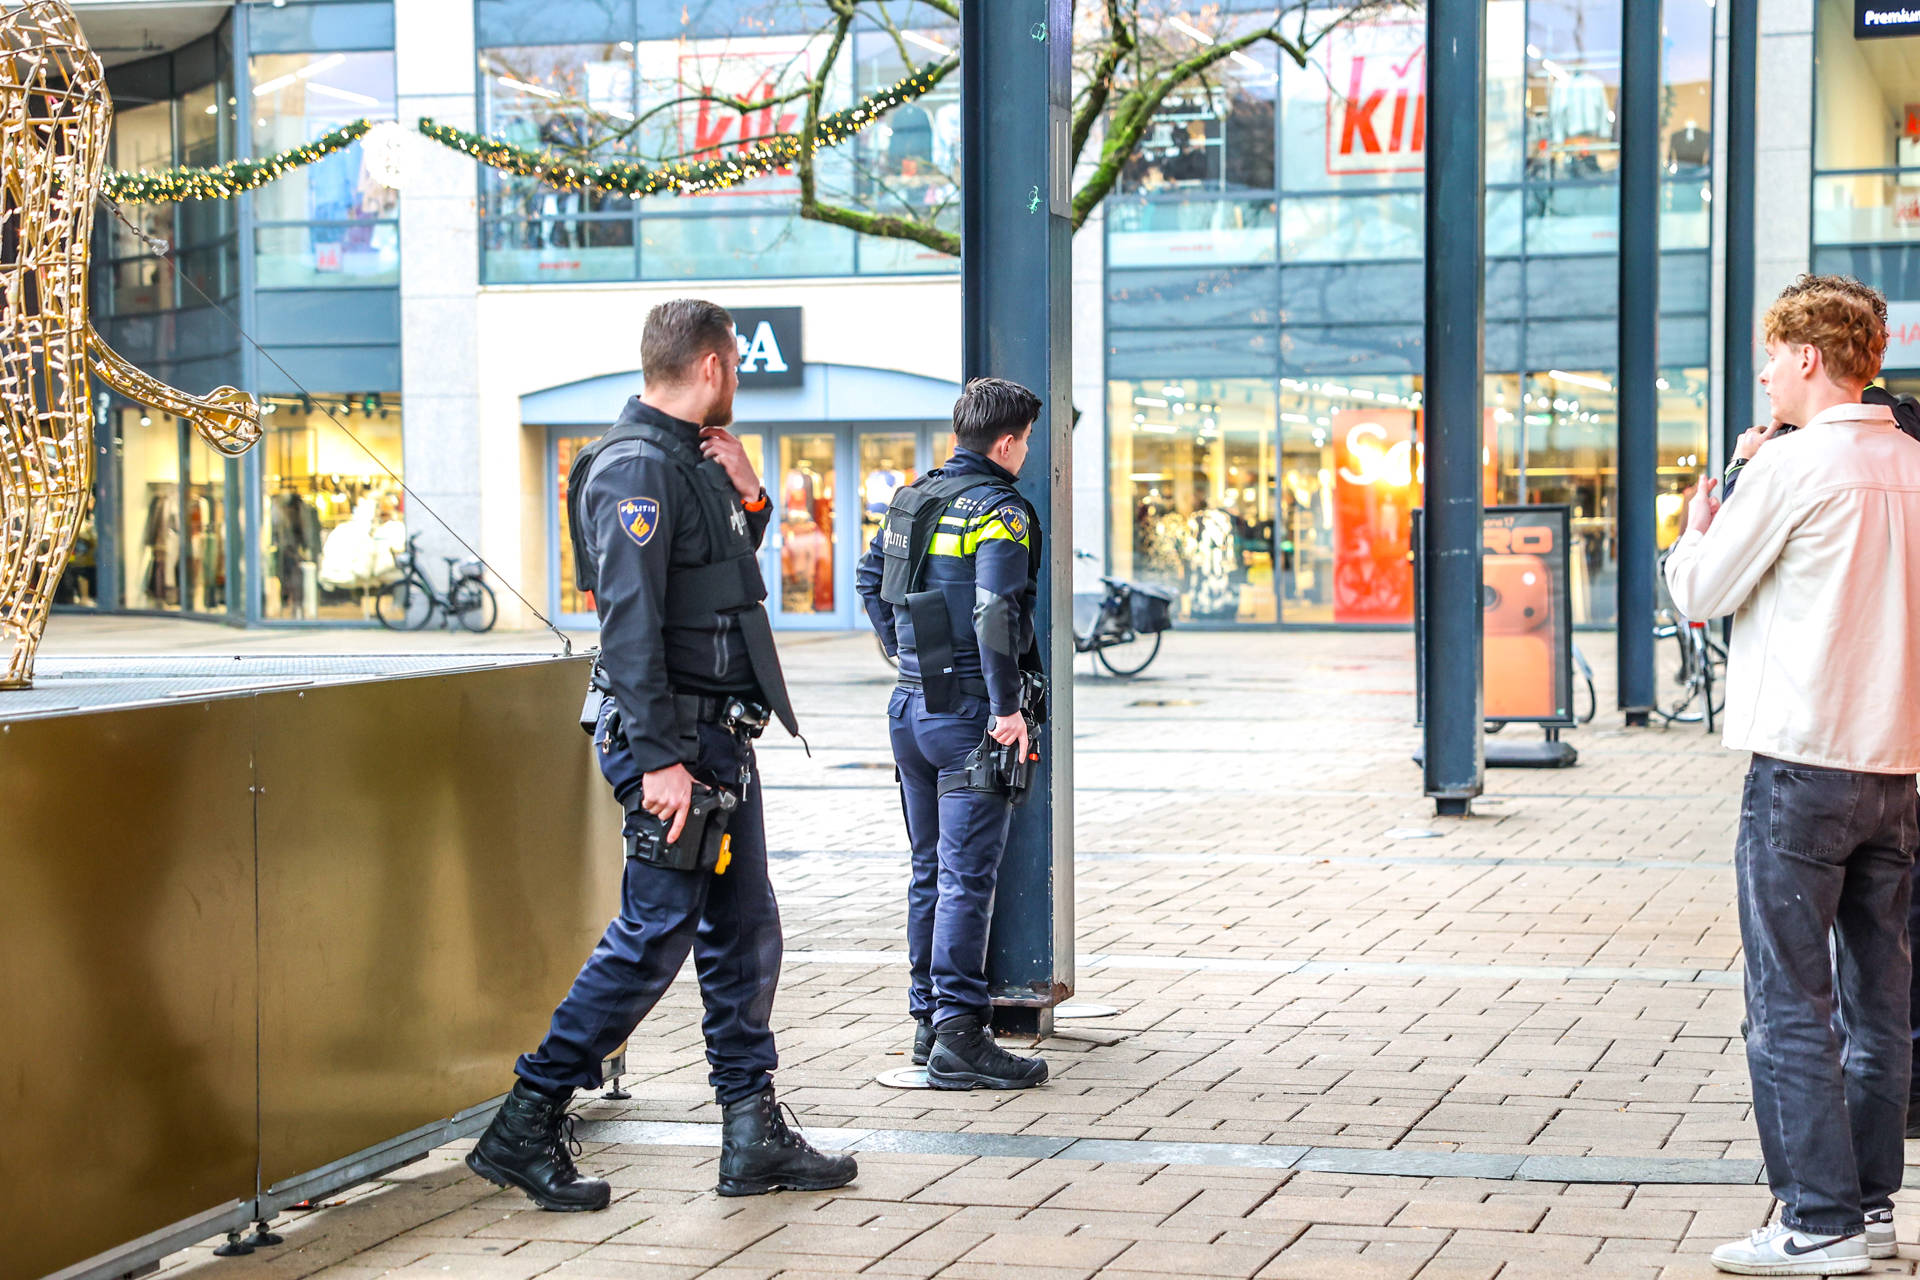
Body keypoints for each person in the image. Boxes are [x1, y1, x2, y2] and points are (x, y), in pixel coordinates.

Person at [466, 299, 855, 1210]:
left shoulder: (693, 462)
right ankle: (526, 1120)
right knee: (652, 939)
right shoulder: (635, 466)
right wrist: (659, 761)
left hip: (717, 738)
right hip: (675, 743)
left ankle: (751, 1132)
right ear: (715, 366)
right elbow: (630, 626)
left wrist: (754, 497)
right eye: (736, 371)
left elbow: (715, 577)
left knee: (744, 933)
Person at [1664, 275, 1920, 1276]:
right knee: (1882, 1001)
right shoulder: (1911, 463)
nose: (1765, 371)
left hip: (1802, 772)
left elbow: (1701, 590)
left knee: (1788, 999)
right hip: (1897, 769)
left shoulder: (1790, 467)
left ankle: (1816, 1220)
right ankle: (1871, 1203)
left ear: (1808, 358)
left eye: (1771, 355)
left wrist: (1704, 510)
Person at [854, 377, 1049, 1091]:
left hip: (912, 705)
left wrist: (904, 654)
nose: (1025, 451)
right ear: (1005, 442)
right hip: (969, 713)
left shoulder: (912, 498)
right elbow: (997, 610)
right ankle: (961, 1036)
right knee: (968, 877)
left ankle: (927, 1022)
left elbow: (870, 580)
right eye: (1026, 439)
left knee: (929, 869)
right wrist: (1005, 708)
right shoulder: (1000, 512)